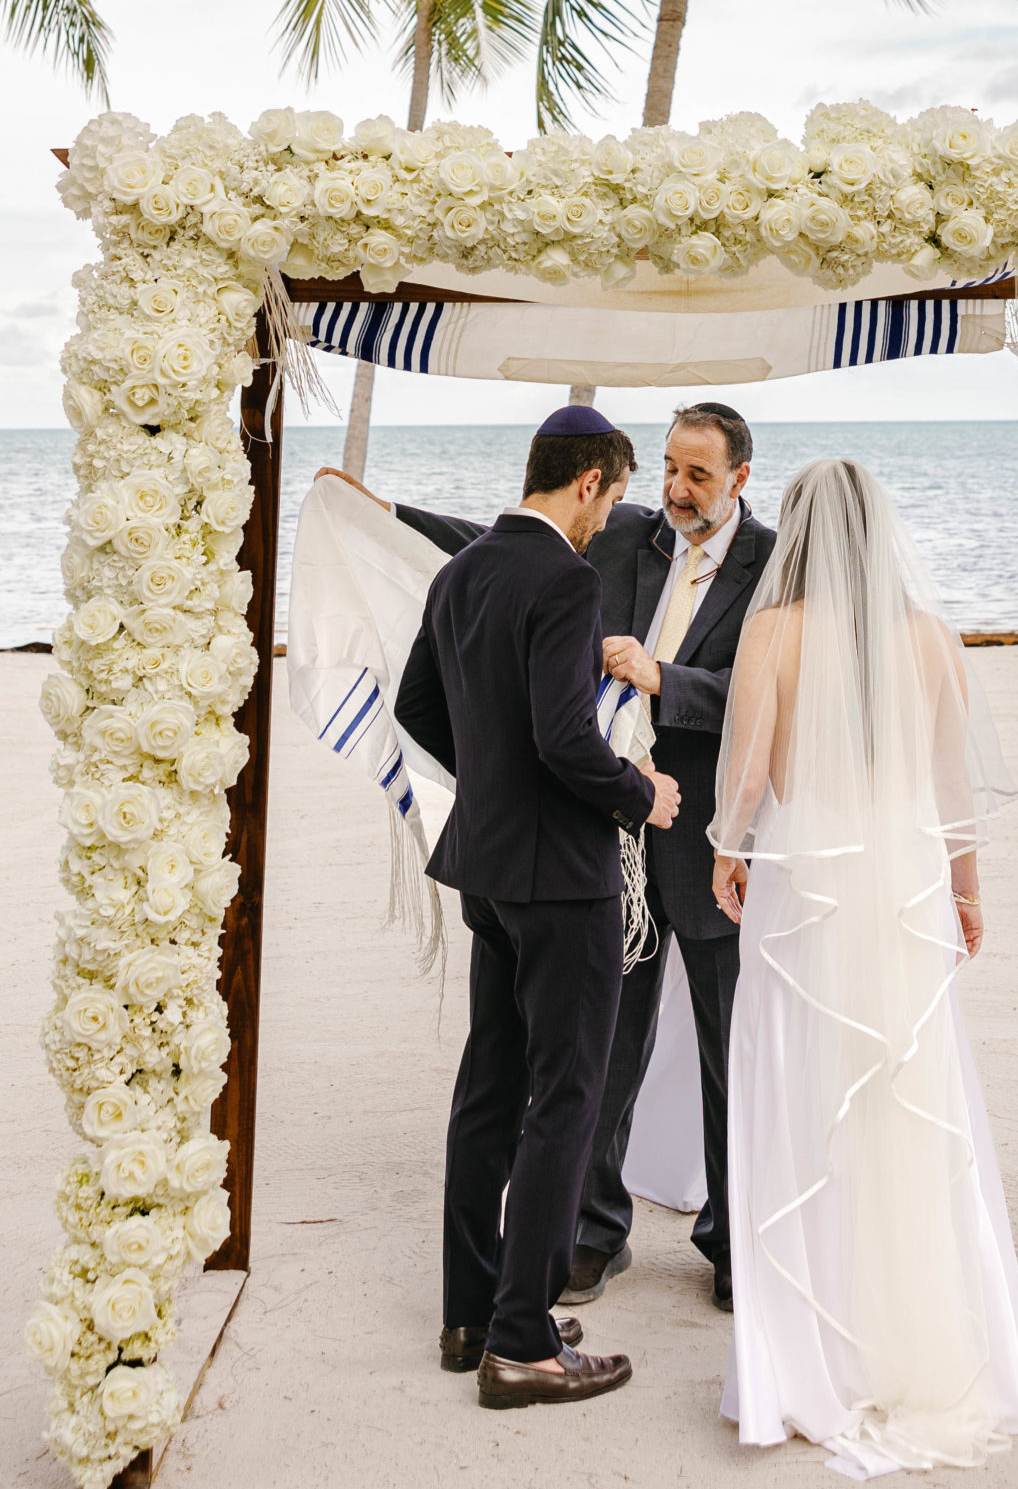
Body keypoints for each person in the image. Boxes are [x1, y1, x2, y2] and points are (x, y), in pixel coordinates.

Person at [384, 402, 776, 1316]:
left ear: (741, 482)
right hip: (599, 833)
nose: (675, 490)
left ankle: (728, 1241)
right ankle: (592, 1234)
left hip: (713, 834)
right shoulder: (621, 532)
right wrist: (388, 514)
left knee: (729, 1048)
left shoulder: (771, 565)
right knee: (600, 1052)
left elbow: (776, 687)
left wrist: (664, 681)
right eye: (669, 469)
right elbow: (503, 544)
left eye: (697, 476)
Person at [710, 459, 1018, 1475]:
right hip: (901, 877)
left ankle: (808, 1356)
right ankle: (919, 1341)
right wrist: (967, 890)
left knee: (798, 1098)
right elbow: (951, 786)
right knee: (907, 1096)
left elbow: (751, 767)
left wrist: (728, 851)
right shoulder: (933, 636)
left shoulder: (774, 630)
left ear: (802, 532)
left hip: (807, 877)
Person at [391, 406, 682, 1413]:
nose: (609, 519)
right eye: (613, 493)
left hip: (487, 870)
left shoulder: (460, 572)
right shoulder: (565, 579)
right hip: (563, 876)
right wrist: (642, 792)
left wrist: (496, 785)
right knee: (567, 1095)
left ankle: (470, 1312)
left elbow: (418, 708)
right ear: (592, 480)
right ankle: (522, 1344)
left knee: (490, 1084)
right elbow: (567, 740)